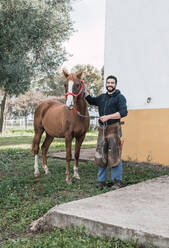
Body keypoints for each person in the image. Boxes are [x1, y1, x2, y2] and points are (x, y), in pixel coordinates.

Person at [85, 75, 128, 190]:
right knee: (101, 155)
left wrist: (108, 117)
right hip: (102, 130)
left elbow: (123, 112)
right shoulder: (102, 97)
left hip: (114, 129)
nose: (110, 84)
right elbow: (91, 100)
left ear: (115, 84)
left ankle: (117, 181)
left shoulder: (120, 97)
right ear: (106, 84)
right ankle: (101, 181)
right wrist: (85, 90)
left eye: (112, 83)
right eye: (108, 82)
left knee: (115, 154)